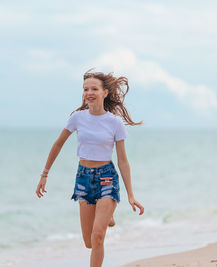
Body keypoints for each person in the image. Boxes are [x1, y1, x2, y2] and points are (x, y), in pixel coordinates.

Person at [35, 69, 145, 267]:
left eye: (94, 88)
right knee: (88, 242)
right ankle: (108, 216)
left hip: (106, 177)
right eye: (86, 89)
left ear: (105, 92)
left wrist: (130, 194)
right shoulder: (77, 118)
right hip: (83, 178)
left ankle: (108, 211)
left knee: (98, 237)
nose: (89, 93)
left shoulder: (115, 123)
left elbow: (122, 161)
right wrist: (44, 174)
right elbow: (58, 143)